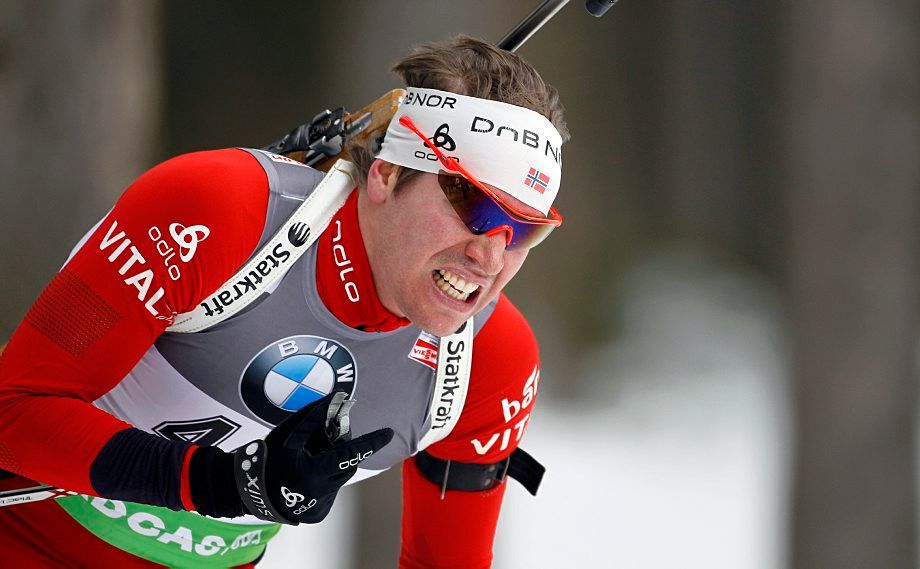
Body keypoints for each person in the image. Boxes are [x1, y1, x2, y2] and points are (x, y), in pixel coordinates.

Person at [0, 35, 568, 568]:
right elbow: (13, 412)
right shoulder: (216, 211)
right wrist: (216, 482)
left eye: (524, 230)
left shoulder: (492, 360)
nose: (489, 258)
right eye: (476, 209)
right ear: (390, 172)